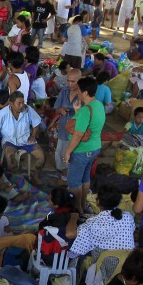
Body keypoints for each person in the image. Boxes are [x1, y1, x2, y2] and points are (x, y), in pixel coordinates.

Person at [64, 76, 105, 212]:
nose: (77, 93)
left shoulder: (86, 110)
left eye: (79, 90)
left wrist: (68, 151)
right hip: (94, 148)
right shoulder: (98, 105)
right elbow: (90, 125)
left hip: (82, 151)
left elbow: (78, 135)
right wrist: (78, 111)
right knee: (85, 178)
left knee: (74, 183)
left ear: (85, 93)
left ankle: (78, 210)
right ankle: (83, 205)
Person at [69, 186, 137, 259]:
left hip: (105, 267)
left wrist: (73, 218)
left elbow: (73, 253)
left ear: (98, 202)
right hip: (128, 261)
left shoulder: (91, 223)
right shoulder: (128, 217)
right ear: (119, 201)